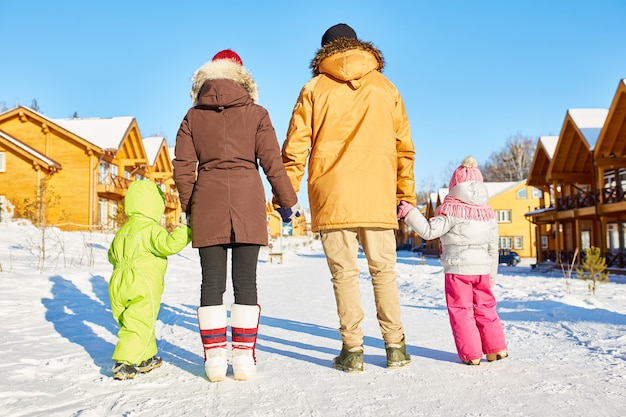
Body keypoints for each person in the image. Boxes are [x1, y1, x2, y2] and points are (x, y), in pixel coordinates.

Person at [276, 24, 416, 373]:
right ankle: (395, 347)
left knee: (345, 274)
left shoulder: (314, 88)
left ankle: (353, 351)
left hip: (333, 193)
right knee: (384, 272)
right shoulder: (386, 88)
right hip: (378, 194)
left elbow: (296, 148)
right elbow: (404, 149)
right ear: (358, 46)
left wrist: (286, 194)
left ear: (326, 51)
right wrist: (405, 195)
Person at [173, 49, 297, 382]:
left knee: (211, 283)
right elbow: (272, 160)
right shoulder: (257, 113)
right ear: (242, 78)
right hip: (247, 199)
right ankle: (243, 359)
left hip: (208, 200)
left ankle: (214, 361)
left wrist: (190, 206)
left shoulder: (192, 116)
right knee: (246, 284)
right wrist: (286, 201)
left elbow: (183, 167)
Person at [397, 156, 508, 365]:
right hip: (482, 270)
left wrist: (410, 213)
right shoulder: (488, 213)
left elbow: (429, 231)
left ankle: (472, 355)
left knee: (461, 310)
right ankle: (497, 349)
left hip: (458, 271)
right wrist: (492, 275)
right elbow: (494, 248)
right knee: (485, 307)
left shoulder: (452, 210)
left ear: (454, 185)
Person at [108, 180, 191, 380]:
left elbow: (111, 255)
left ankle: (147, 358)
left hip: (118, 282)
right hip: (142, 282)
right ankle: (124, 362)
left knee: (134, 321)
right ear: (154, 205)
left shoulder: (124, 230)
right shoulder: (150, 229)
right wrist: (185, 229)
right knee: (139, 321)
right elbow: (168, 245)